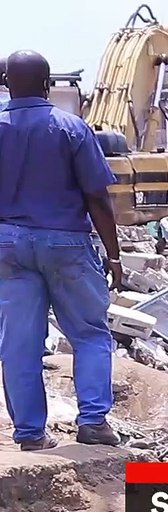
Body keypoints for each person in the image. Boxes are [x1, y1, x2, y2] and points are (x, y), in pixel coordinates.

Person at [0, 50, 123, 450]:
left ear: (5, 84)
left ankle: (31, 434)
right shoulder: (71, 128)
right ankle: (92, 423)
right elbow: (97, 197)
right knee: (88, 333)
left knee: (19, 343)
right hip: (66, 242)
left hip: (8, 247)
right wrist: (114, 254)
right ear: (48, 83)